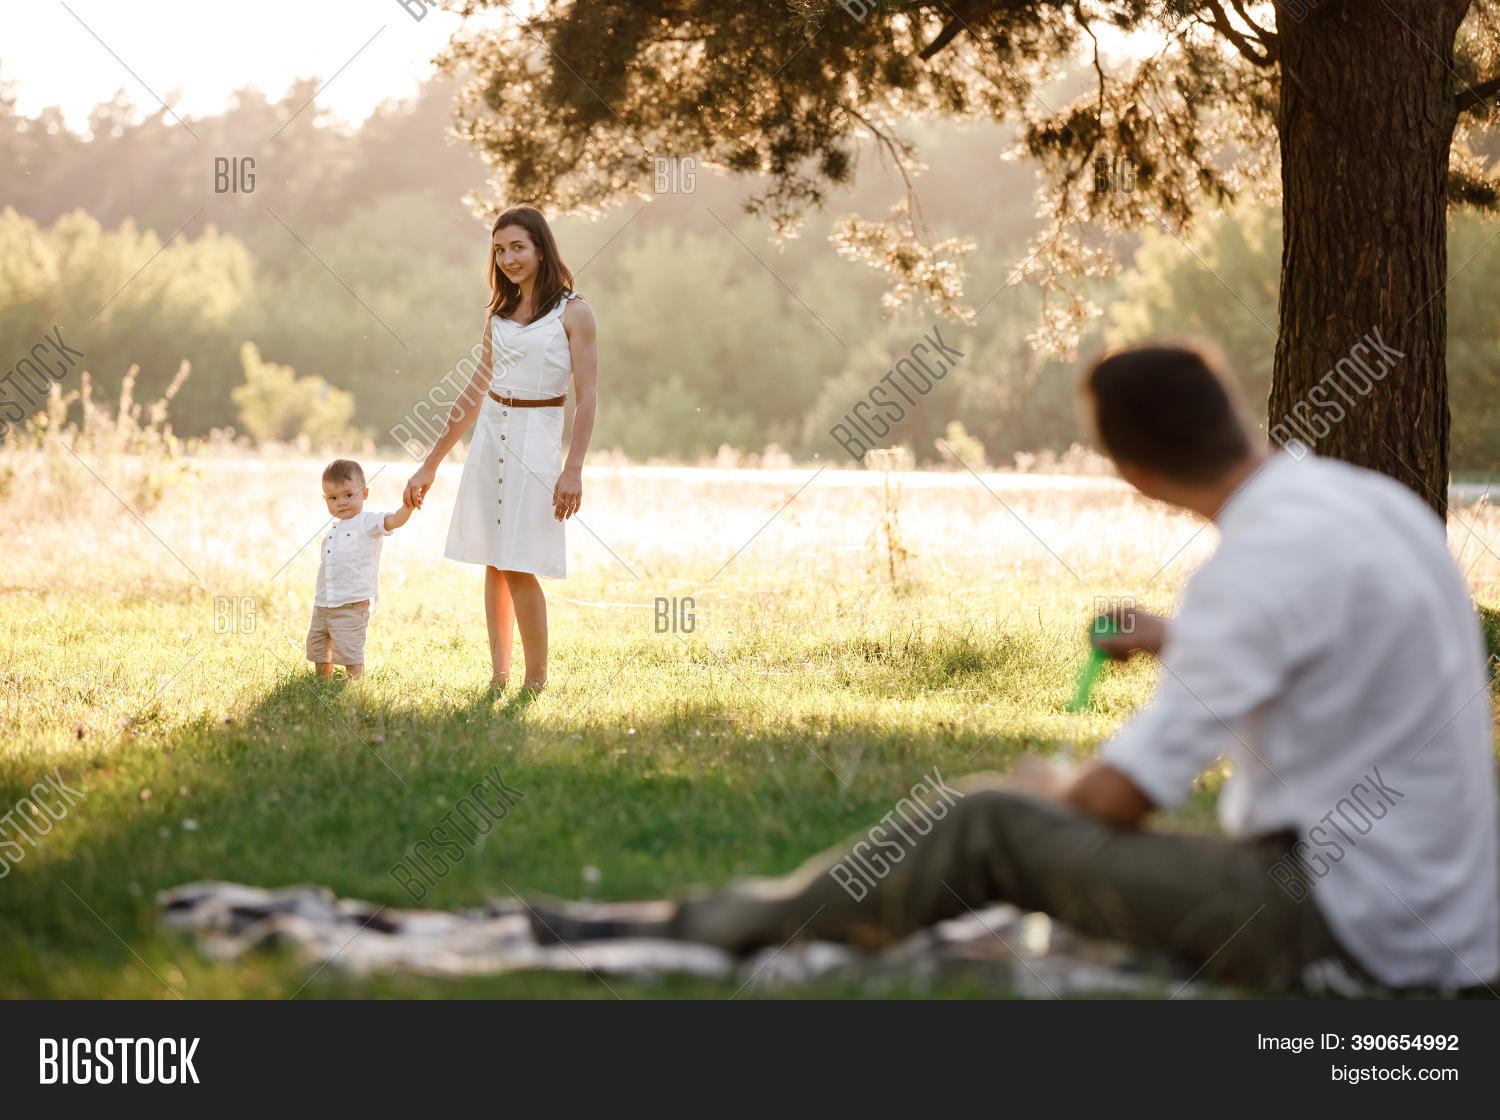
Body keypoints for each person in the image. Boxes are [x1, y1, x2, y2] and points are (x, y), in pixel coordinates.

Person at [523, 343, 1500, 992]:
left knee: (989, 822)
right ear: (1231, 406)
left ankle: (703, 929)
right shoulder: (1365, 503)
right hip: (1447, 904)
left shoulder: (1251, 569)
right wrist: (1173, 637)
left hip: (1348, 931)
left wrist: (1056, 787)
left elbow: (1121, 800)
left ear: (1134, 478)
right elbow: (1345, 642)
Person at [403, 205, 598, 693]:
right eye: (500, 249)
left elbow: (588, 396)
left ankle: (536, 681)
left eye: (518, 247)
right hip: (492, 436)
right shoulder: (499, 315)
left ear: (540, 248)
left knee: (518, 560)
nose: (509, 258)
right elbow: (473, 392)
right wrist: (429, 465)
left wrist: (572, 470)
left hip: (538, 437)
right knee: (493, 557)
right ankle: (499, 675)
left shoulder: (574, 312)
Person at [306, 459, 413, 680]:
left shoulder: (367, 522)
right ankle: (321, 682)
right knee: (319, 646)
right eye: (333, 498)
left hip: (352, 603)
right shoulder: (332, 530)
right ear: (325, 499)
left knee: (350, 648)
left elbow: (393, 520)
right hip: (324, 603)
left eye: (348, 495)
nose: (341, 502)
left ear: (364, 493)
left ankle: (354, 681)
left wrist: (407, 507)